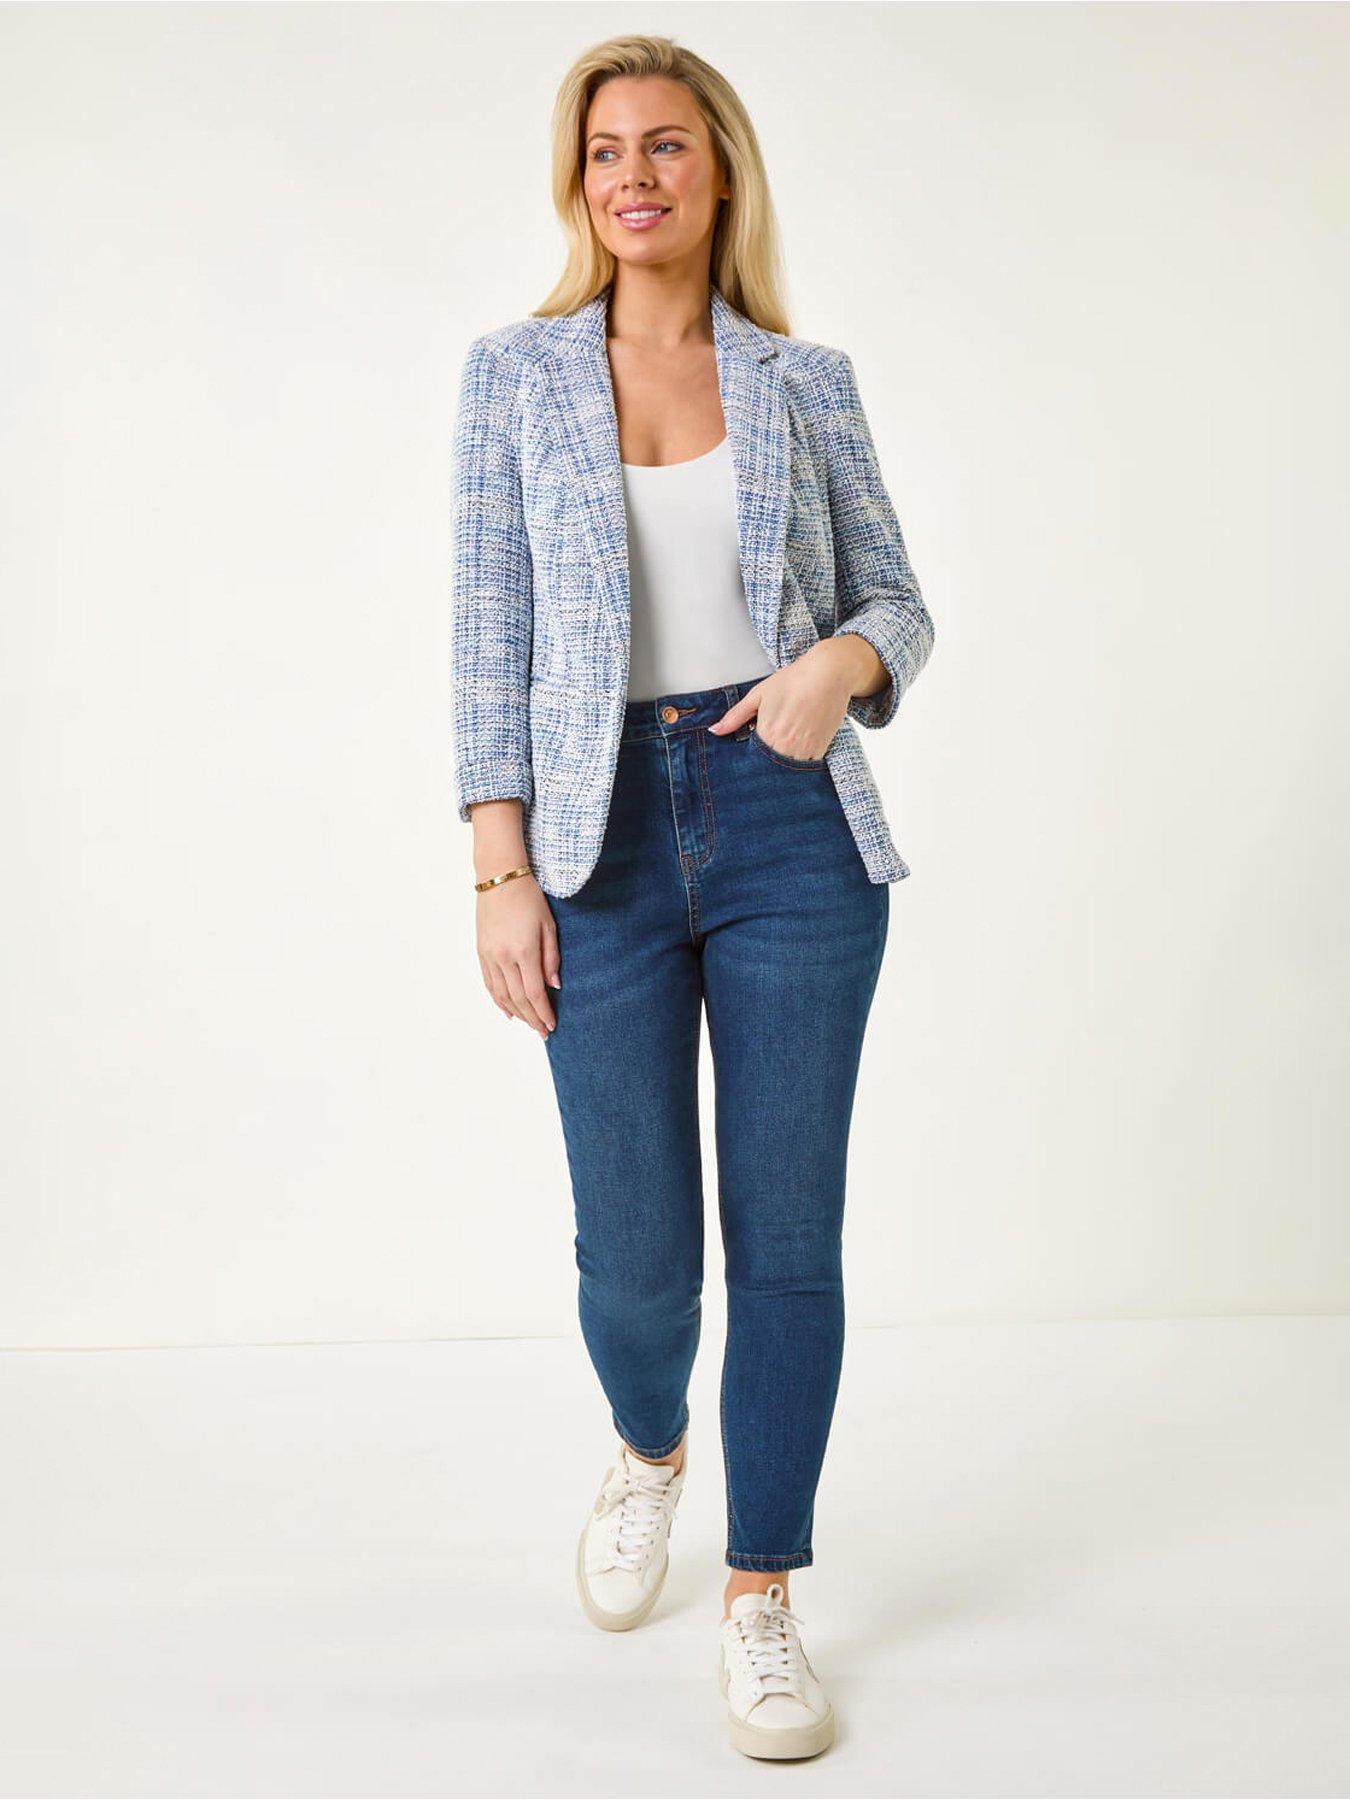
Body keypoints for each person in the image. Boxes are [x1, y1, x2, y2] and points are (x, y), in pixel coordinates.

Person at [450, 34, 935, 1762]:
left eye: (664, 144)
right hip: (597, 849)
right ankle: (650, 1446)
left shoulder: (804, 380)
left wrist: (838, 668)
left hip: (789, 827)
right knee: (638, 1254)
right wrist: (498, 869)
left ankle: (761, 1592)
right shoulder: (512, 377)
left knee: (786, 1243)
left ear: (717, 168)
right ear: (576, 182)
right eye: (604, 151)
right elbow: (487, 638)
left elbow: (899, 598)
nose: (633, 175)